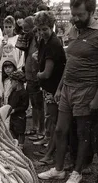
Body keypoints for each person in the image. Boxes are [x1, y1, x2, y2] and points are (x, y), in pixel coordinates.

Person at [39, 0, 98, 183]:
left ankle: (77, 171)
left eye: (80, 15)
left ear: (92, 12)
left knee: (82, 133)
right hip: (67, 88)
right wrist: (59, 88)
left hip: (86, 89)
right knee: (59, 129)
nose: (75, 18)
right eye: (73, 14)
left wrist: (97, 98)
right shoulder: (73, 30)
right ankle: (58, 169)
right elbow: (70, 62)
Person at [33, 11, 66, 165]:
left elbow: (46, 73)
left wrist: (37, 74)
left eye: (44, 29)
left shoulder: (53, 43)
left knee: (54, 123)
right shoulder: (43, 41)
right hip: (49, 89)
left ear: (51, 26)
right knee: (53, 122)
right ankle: (50, 152)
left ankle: (50, 155)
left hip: (54, 89)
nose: (41, 32)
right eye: (39, 29)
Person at [22, 16, 45, 141]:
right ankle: (35, 127)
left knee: (39, 104)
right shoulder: (29, 40)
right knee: (34, 104)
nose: (25, 33)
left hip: (37, 76)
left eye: (27, 30)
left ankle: (41, 130)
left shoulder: (38, 40)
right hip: (29, 75)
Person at [0, 16, 24, 98]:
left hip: (14, 70)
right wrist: (2, 45)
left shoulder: (18, 38)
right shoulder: (0, 39)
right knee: (3, 95)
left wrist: (19, 69)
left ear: (13, 27)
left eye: (10, 27)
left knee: (13, 95)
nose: (8, 29)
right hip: (1, 70)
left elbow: (22, 55)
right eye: (6, 27)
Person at [8, 70, 29, 149]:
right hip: (13, 115)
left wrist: (15, 110)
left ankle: (21, 146)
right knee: (13, 130)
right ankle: (14, 143)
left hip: (20, 116)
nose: (11, 83)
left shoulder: (24, 93)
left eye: (12, 81)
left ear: (17, 82)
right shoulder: (13, 92)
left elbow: (24, 106)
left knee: (20, 131)